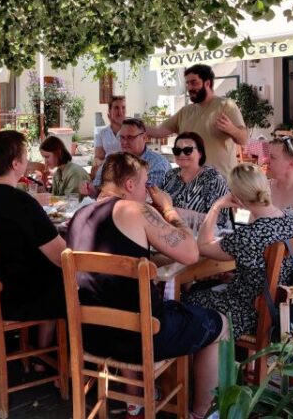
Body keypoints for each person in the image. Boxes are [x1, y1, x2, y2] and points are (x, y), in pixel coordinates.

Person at [67, 152, 227, 419]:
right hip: (141, 339)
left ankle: (137, 399)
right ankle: (201, 412)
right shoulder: (134, 209)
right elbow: (190, 253)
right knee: (219, 324)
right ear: (129, 185)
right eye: (144, 185)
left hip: (93, 336)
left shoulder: (80, 214)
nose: (147, 192)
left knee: (127, 303)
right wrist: (168, 208)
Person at [0, 130, 67, 348]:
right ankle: (47, 354)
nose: (28, 160)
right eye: (24, 156)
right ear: (15, 164)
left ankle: (41, 353)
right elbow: (62, 257)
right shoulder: (20, 203)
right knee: (64, 278)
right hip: (12, 297)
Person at [185, 163, 293, 343]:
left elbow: (202, 245)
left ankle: (195, 363)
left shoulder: (247, 236)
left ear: (237, 199)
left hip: (249, 313)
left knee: (188, 298)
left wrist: (216, 206)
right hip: (284, 310)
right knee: (206, 287)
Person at [146, 64, 248, 180]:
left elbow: (243, 139)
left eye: (194, 82)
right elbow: (158, 132)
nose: (189, 88)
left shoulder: (226, 106)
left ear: (207, 83)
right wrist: (131, 124)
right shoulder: (186, 111)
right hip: (191, 185)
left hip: (221, 184)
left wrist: (231, 129)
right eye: (188, 84)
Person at [161, 132, 233, 233]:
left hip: (204, 237)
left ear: (200, 153)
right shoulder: (170, 175)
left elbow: (221, 219)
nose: (181, 154)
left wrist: (181, 214)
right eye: (177, 150)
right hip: (172, 233)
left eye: (188, 150)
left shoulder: (212, 178)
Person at [82, 118, 171, 196]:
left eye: (130, 137)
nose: (124, 142)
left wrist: (110, 193)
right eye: (122, 137)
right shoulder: (112, 160)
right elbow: (97, 190)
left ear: (144, 138)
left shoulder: (157, 164)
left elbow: (148, 199)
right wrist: (90, 189)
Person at [94, 95, 126, 164]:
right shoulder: (102, 133)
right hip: (107, 169)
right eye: (116, 108)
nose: (120, 111)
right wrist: (103, 164)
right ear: (110, 111)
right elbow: (98, 158)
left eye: (123, 108)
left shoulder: (131, 132)